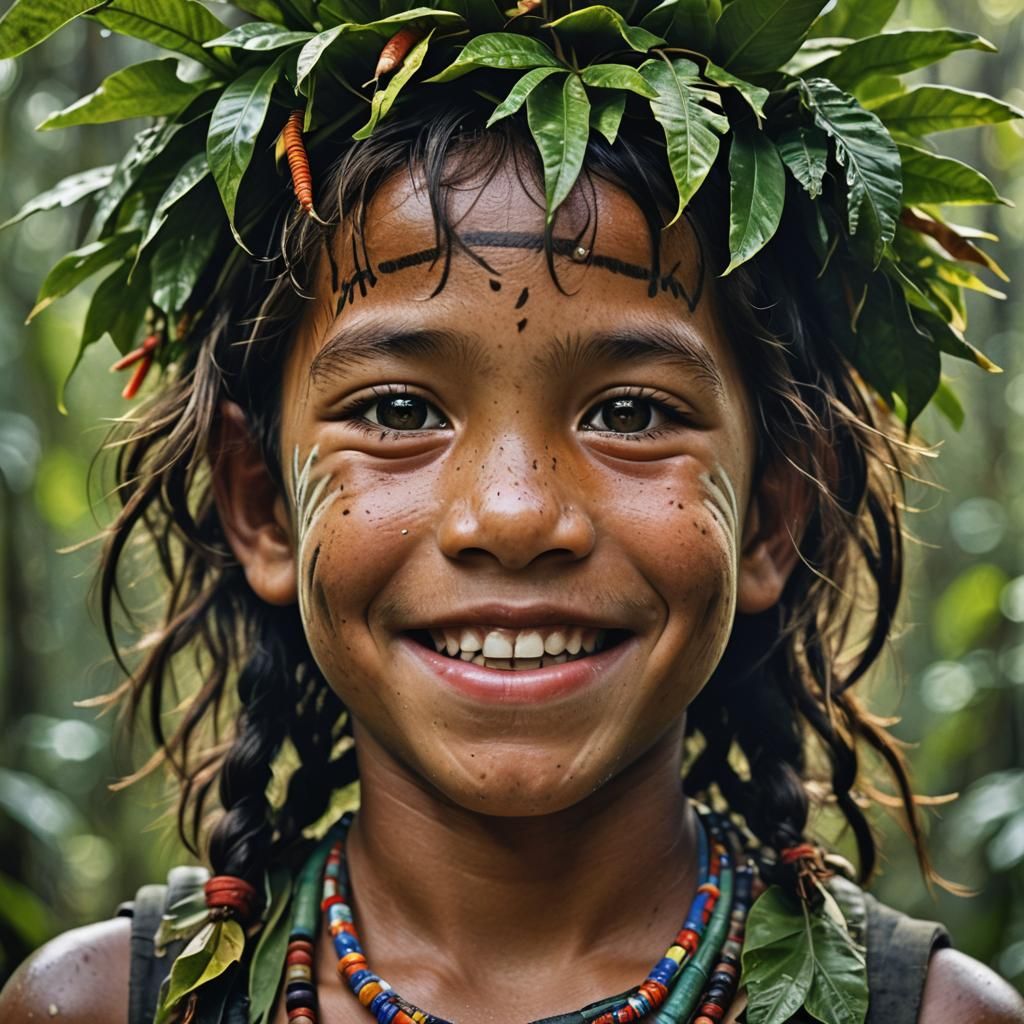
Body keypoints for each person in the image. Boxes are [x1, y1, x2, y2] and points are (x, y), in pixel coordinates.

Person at [1, 1, 1023, 1022]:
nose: (515, 512)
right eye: (399, 411)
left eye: (630, 412)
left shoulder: (934, 1014)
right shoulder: (94, 1005)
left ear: (770, 513)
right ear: (262, 502)